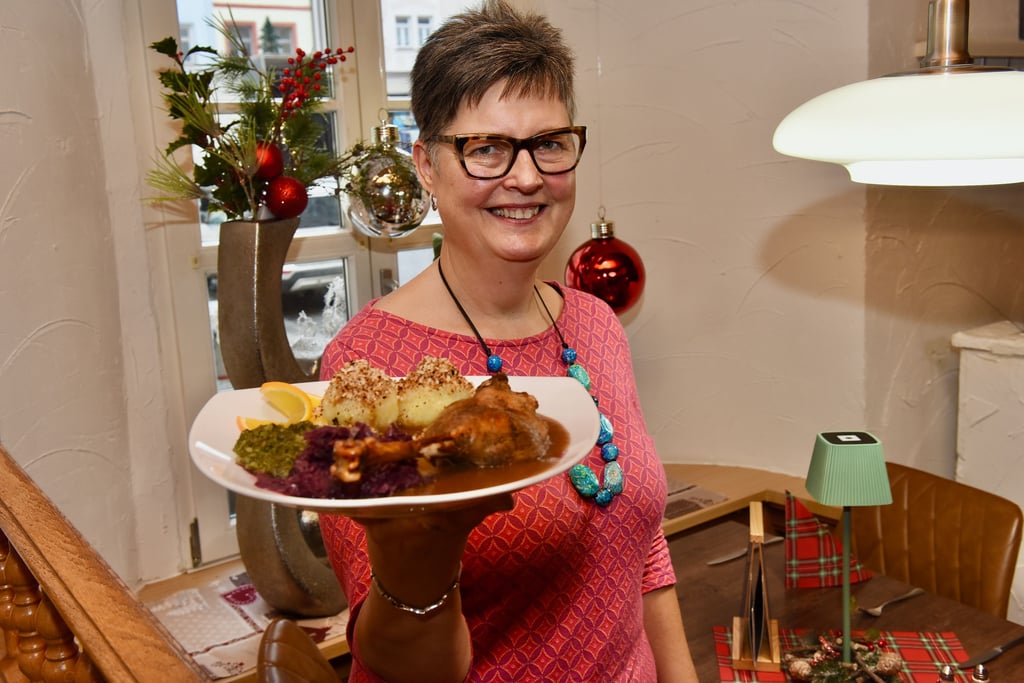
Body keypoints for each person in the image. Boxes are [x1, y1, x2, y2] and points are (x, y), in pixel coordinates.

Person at [318, 2, 698, 680]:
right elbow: (401, 662)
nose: (525, 177)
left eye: (548, 143)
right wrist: (425, 546)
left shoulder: (595, 325)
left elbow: (642, 546)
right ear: (427, 165)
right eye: (486, 147)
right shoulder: (369, 366)